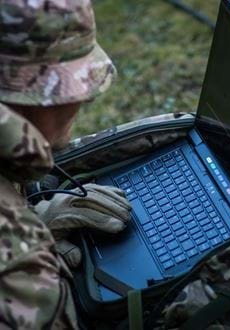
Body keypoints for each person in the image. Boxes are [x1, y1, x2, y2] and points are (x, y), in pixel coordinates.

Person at [0, 0, 132, 328]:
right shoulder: (18, 266)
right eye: (68, 84)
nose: (85, 97)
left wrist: (37, 220)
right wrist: (23, 244)